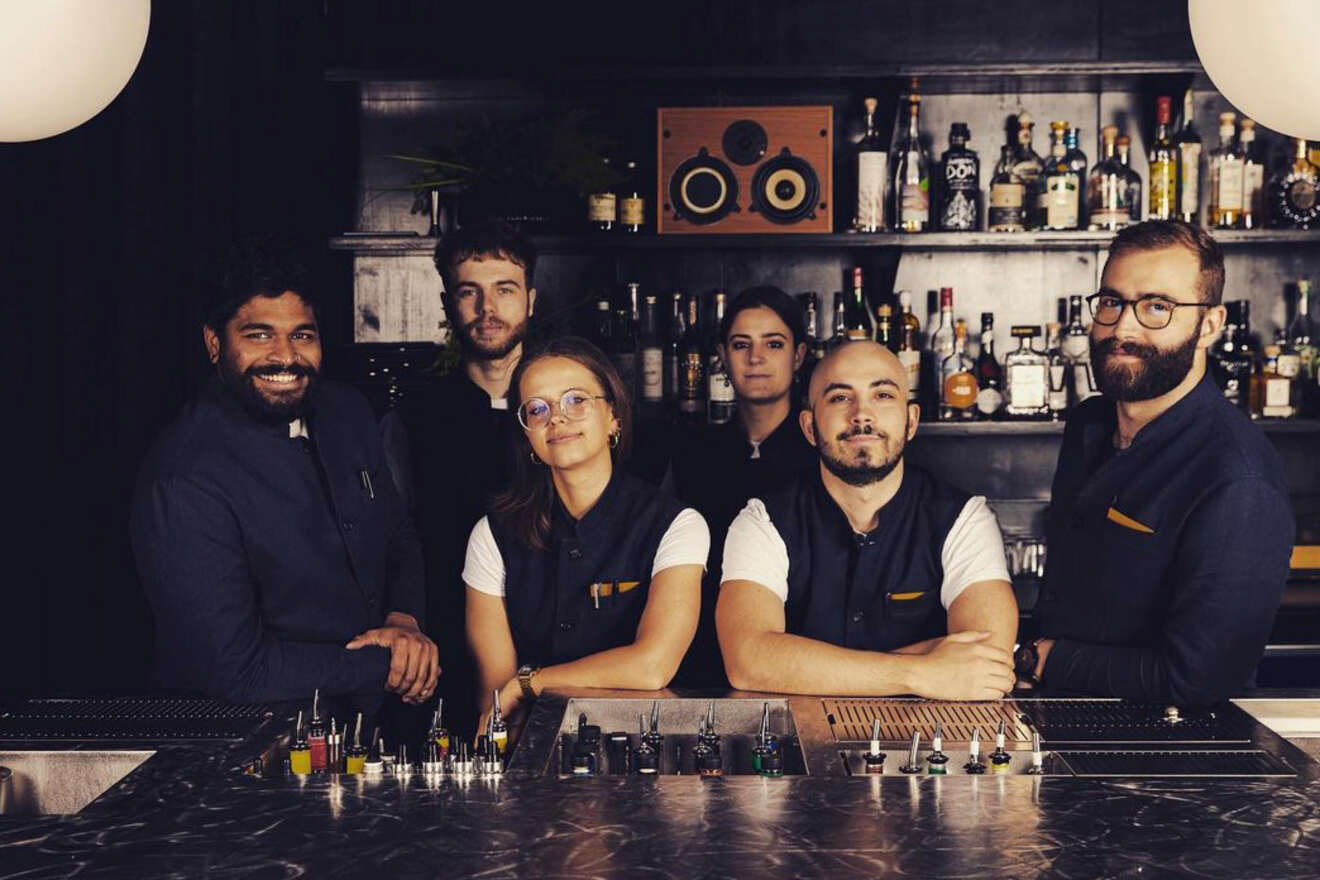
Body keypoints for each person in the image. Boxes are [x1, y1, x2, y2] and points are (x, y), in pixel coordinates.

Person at [131, 244, 437, 706]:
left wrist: (404, 622)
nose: (285, 356)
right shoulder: (185, 478)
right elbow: (235, 671)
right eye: (259, 335)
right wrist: (392, 665)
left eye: (302, 335)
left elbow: (399, 535)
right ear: (215, 344)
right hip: (251, 749)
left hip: (373, 731)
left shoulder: (347, 412)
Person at [1021, 221, 1294, 707]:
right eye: (1111, 302)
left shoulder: (1237, 479)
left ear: (1209, 325)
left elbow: (1199, 679)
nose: (1123, 327)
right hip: (1059, 724)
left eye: (1157, 307)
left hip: (1170, 758)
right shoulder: (1090, 425)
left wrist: (1046, 659)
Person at [716, 340, 1018, 698]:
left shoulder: (963, 519)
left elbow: (988, 661)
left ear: (911, 421)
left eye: (884, 396)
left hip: (925, 747)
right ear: (810, 427)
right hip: (797, 742)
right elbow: (748, 661)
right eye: (840, 398)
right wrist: (921, 673)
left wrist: (803, 667)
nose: (862, 414)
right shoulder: (762, 521)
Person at [464, 337, 708, 725]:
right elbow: (497, 703)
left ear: (614, 416)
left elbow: (652, 666)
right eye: (537, 409)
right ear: (528, 435)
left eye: (576, 400)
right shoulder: (492, 535)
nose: (556, 418)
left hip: (647, 750)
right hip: (533, 753)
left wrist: (530, 683)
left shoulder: (676, 524)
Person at [399, 222, 536, 732]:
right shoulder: (417, 415)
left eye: (504, 290)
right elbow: (398, 536)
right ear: (447, 304)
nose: (487, 309)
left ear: (531, 300)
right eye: (469, 292)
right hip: (445, 648)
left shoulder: (564, 412)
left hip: (551, 648)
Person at [669, 286, 817, 686]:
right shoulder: (691, 454)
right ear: (721, 356)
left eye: (773, 343)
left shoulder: (822, 455)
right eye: (741, 344)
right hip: (700, 659)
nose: (756, 358)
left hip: (801, 657)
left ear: (798, 355)